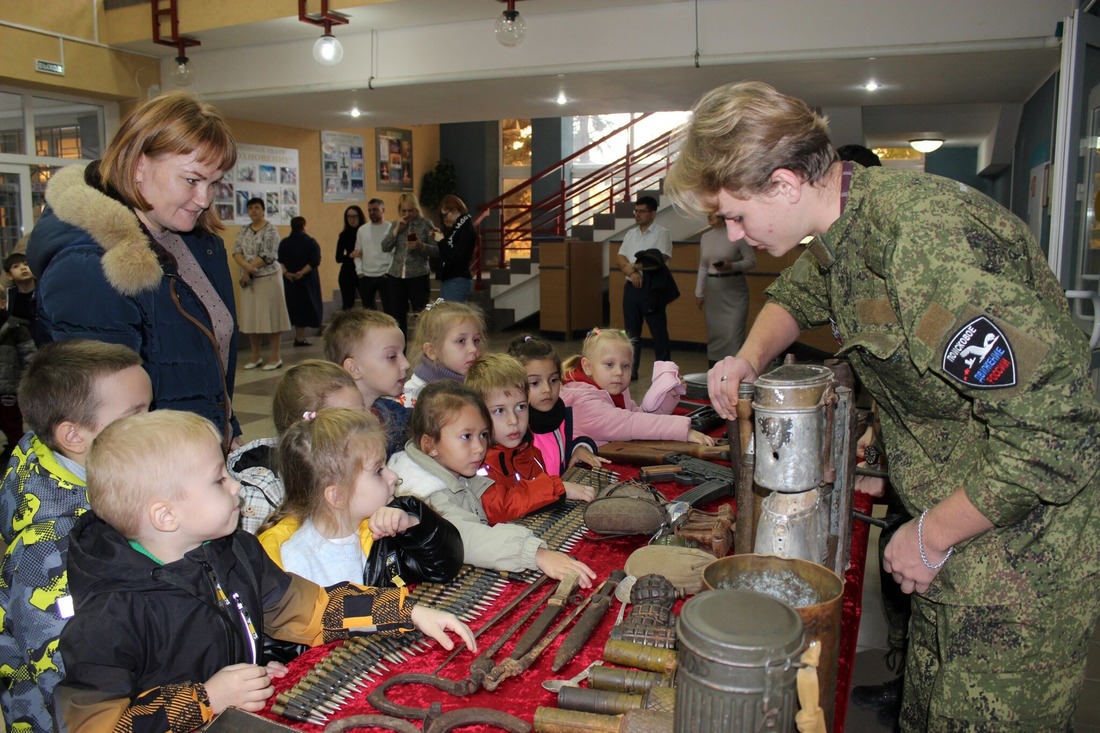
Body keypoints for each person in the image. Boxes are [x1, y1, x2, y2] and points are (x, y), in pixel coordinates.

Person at [672, 81, 1100, 731]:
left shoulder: (922, 241)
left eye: (734, 214)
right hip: (957, 536)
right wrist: (747, 358)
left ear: (785, 184)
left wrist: (932, 534)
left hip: (1018, 558)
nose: (735, 235)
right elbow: (798, 294)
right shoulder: (843, 228)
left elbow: (1058, 432)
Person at [54, 410, 475, 732]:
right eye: (219, 480)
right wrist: (207, 698)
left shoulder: (233, 550)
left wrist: (406, 612)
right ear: (165, 515)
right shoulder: (110, 614)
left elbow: (312, 610)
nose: (236, 485)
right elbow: (96, 724)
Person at [25, 91, 241, 451]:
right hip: (150, 472)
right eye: (191, 180)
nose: (205, 199)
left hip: (196, 455)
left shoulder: (196, 242)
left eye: (214, 182)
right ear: (139, 165)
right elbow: (107, 420)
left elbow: (208, 359)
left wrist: (227, 424)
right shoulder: (90, 264)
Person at [0, 340, 152, 733]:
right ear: (73, 436)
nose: (153, 425)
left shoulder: (46, 450)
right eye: (136, 415)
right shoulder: (48, 547)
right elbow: (70, 678)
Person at [388, 381, 596, 587]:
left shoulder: (447, 466)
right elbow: (465, 538)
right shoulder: (428, 494)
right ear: (430, 444)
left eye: (483, 435)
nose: (480, 448)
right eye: (466, 436)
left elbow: (500, 496)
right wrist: (537, 555)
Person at [258, 408, 462, 589]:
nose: (394, 477)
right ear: (338, 496)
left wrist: (413, 524)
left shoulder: (381, 531)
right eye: (378, 471)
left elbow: (445, 565)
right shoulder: (298, 562)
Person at [229, 359, 368, 533]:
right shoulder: (263, 497)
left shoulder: (357, 463)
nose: (364, 427)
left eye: (363, 413)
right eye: (346, 421)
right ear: (306, 429)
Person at [465, 353, 595, 525]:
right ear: (477, 415)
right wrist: (557, 487)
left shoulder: (529, 452)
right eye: (499, 410)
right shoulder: (477, 463)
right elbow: (499, 508)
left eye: (520, 407)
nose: (514, 420)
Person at [560, 328, 713, 447]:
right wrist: (682, 431)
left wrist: (668, 396)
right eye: (609, 364)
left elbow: (642, 417)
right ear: (587, 367)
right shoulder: (582, 402)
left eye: (625, 365)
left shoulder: (615, 391)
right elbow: (630, 424)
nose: (619, 372)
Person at [508, 334, 605, 476]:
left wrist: (578, 449)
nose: (547, 389)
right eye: (535, 383)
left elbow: (566, 444)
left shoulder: (560, 414)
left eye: (553, 380)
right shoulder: (515, 431)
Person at [322, 308, 411, 457]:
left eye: (403, 353)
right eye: (391, 356)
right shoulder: (337, 435)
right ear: (354, 368)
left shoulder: (392, 412)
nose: (406, 364)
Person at [617, 195, 674, 379]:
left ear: (653, 213)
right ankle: (631, 371)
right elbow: (621, 257)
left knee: (659, 334)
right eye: (636, 211)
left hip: (652, 289)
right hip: (631, 288)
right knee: (631, 334)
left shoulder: (662, 233)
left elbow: (661, 259)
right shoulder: (630, 234)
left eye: (642, 211)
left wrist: (635, 266)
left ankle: (664, 373)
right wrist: (632, 272)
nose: (637, 215)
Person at [235, 196, 290, 371]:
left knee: (272, 318)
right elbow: (236, 251)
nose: (253, 211)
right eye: (250, 208)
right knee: (251, 320)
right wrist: (245, 269)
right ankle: (255, 356)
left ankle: (275, 357)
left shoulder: (271, 230)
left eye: (257, 208)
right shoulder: (244, 230)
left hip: (268, 278)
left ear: (263, 210)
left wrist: (249, 268)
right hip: (248, 280)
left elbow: (269, 254)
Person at [695, 212, 755, 366]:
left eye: (712, 213)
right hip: (714, 291)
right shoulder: (706, 237)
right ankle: (715, 371)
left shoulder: (739, 235)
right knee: (715, 334)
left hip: (734, 289)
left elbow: (751, 262)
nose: (709, 216)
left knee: (733, 334)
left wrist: (731, 265)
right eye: (707, 213)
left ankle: (733, 372)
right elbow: (703, 266)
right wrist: (699, 292)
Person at [402, 300, 485, 405]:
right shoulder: (413, 398)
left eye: (476, 340)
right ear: (432, 351)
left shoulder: (481, 384)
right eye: (461, 341)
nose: (473, 349)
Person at [381, 193, 438, 337]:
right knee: (397, 316)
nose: (407, 214)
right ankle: (400, 351)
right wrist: (396, 231)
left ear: (416, 209)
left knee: (421, 315)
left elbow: (436, 250)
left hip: (418, 275)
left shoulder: (426, 224)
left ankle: (423, 350)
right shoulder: (396, 224)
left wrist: (421, 246)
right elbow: (384, 247)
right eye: (404, 211)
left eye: (410, 210)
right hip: (396, 276)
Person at [278, 216, 323, 347]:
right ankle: (299, 337)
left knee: (293, 307)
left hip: (289, 281)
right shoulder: (311, 242)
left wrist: (287, 273)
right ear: (304, 226)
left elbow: (279, 260)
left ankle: (298, 337)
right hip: (307, 281)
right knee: (306, 307)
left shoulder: (284, 242)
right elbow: (315, 260)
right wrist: (301, 272)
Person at [0, 291, 34, 463]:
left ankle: (20, 455)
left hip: (9, 390)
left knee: (12, 425)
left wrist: (29, 384)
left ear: (2, 302)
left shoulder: (16, 328)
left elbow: (30, 357)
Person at [433, 194, 477, 302]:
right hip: (451, 277)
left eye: (446, 214)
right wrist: (441, 239)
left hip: (457, 279)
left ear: (455, 210)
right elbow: (448, 249)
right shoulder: (458, 227)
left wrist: (442, 241)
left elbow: (457, 257)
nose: (445, 218)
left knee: (453, 315)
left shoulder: (466, 229)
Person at [355, 198, 393, 310]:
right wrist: (359, 271)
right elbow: (357, 252)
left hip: (385, 275)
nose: (372, 212)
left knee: (389, 308)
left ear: (383, 210)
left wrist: (388, 272)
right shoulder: (362, 230)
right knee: (368, 311)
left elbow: (394, 252)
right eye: (369, 210)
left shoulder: (391, 228)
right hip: (366, 276)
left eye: (375, 209)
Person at [335, 205, 366, 310]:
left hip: (365, 269)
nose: (352, 219)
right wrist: (350, 255)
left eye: (354, 216)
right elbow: (338, 258)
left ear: (359, 217)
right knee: (348, 305)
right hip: (348, 271)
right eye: (349, 217)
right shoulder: (344, 235)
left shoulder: (365, 232)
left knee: (368, 304)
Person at [4, 252, 36, 332]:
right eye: (16, 266)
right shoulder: (10, 296)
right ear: (9, 275)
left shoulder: (44, 290)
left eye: (26, 264)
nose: (23, 268)